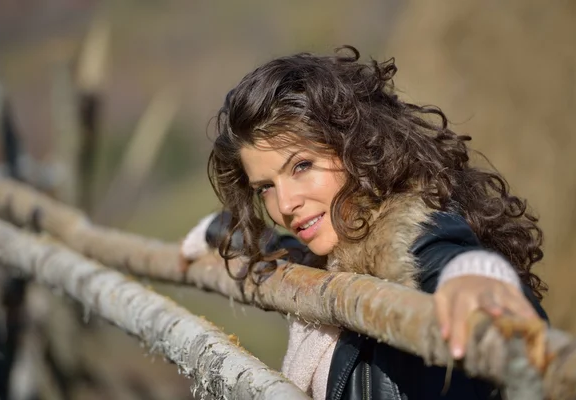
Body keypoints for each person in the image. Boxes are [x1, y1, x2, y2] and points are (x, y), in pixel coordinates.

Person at [184, 46, 548, 399]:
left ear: (357, 146)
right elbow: (284, 254)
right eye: (265, 187)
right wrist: (223, 229)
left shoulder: (416, 238)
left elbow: (450, 263)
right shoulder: (334, 253)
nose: (285, 204)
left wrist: (476, 274)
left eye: (301, 166)